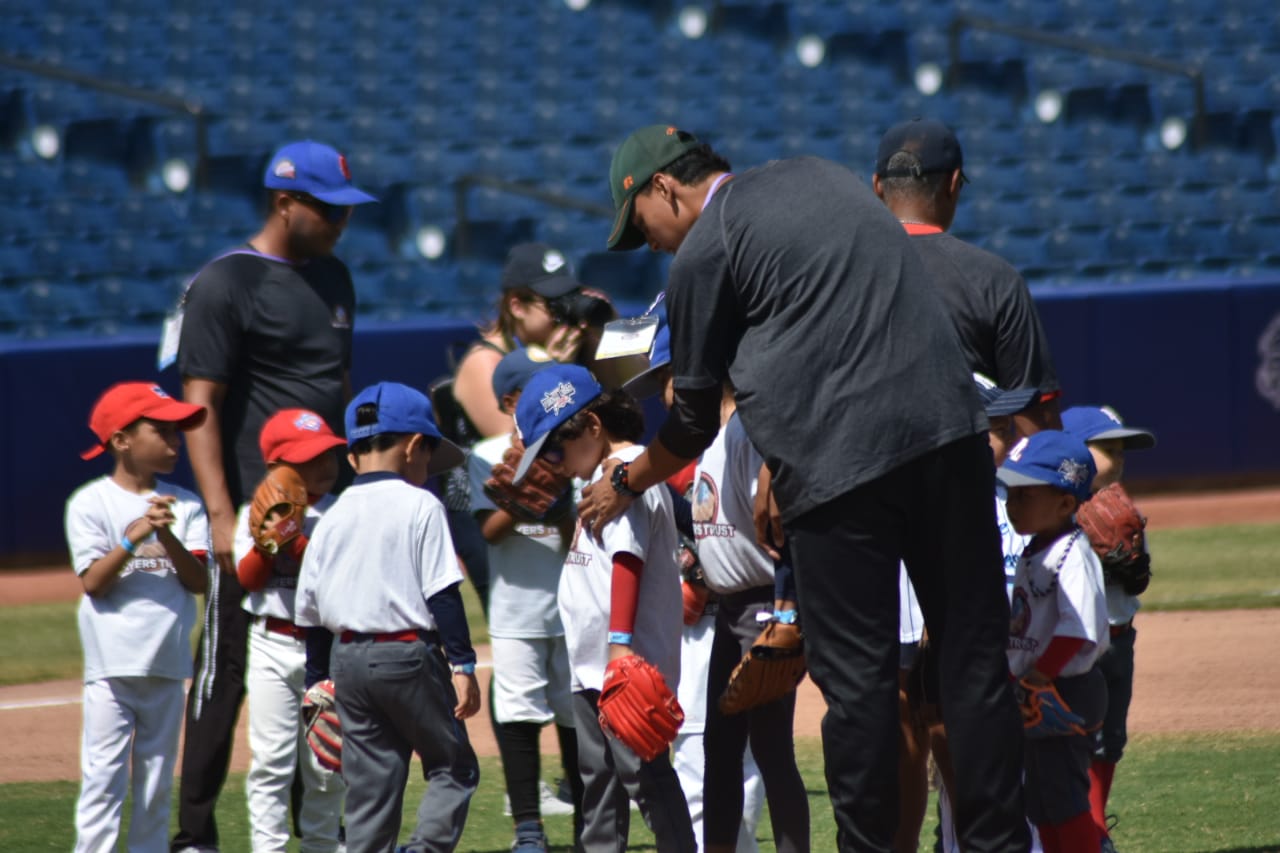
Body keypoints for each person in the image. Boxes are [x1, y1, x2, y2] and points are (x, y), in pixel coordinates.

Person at [578, 124, 1029, 851]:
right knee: (972, 665)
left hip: (843, 470)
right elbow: (837, 329)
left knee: (860, 689)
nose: (650, 242)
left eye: (642, 224)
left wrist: (627, 479)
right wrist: (770, 463)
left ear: (664, 187)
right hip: (951, 434)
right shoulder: (822, 174)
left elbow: (692, 422)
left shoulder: (705, 247)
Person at [172, 139, 376, 852]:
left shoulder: (337, 279)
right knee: (226, 670)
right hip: (256, 516)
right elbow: (199, 402)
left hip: (328, 511)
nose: (340, 221)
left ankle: (317, 827)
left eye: (346, 209)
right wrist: (223, 516)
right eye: (327, 208)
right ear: (284, 202)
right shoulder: (226, 282)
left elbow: (339, 389)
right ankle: (194, 830)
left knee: (328, 669)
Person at [513, 363, 696, 853]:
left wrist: (618, 649)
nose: (552, 462)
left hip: (624, 666)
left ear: (592, 427)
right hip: (591, 666)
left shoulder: (625, 474)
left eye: (554, 448)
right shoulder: (601, 476)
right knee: (598, 786)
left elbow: (626, 561)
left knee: (647, 779)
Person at [295, 381, 481, 852]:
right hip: (406, 655)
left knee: (370, 790)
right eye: (428, 457)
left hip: (346, 661)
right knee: (453, 766)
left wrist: (316, 683)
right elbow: (443, 594)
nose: (426, 470)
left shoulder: (331, 517)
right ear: (414, 445)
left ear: (353, 456)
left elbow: (311, 615)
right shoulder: (421, 504)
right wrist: (462, 664)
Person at [622, 327, 770, 853]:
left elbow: (759, 533)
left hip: (741, 614)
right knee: (726, 755)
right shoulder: (696, 445)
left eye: (667, 378)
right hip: (717, 614)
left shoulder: (738, 435)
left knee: (740, 759)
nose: (665, 394)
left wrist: (702, 583)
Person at [64, 382, 210, 852]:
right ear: (121, 440)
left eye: (177, 432)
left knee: (154, 786)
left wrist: (166, 537)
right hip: (111, 666)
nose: (174, 442)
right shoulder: (91, 502)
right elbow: (94, 582)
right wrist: (134, 536)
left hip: (167, 665)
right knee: (103, 781)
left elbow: (199, 581)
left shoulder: (185, 503)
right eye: (161, 431)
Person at [872, 117, 1062, 434]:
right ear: (953, 183)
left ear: (878, 186)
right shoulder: (994, 279)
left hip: (860, 475)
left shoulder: (830, 275)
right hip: (961, 474)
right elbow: (1039, 428)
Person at [468, 348, 584, 852]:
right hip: (515, 610)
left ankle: (588, 822)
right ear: (513, 399)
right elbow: (489, 533)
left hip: (574, 607)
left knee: (575, 717)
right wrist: (522, 496)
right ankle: (529, 828)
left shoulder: (576, 449)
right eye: (540, 390)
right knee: (518, 716)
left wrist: (559, 504)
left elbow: (578, 535)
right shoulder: (489, 453)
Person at [923, 375, 1042, 853]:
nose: (1010, 437)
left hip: (1025, 668)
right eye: (996, 428)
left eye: (1008, 426)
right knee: (971, 783)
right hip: (969, 676)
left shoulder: (1017, 495)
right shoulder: (936, 506)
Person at [439, 242, 591, 614]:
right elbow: (524, 442)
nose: (563, 316)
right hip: (488, 518)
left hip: (545, 508)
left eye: (568, 301)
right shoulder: (483, 361)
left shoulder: (559, 353)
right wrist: (556, 372)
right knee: (520, 637)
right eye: (553, 305)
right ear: (517, 306)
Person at [234, 409, 349, 852]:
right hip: (270, 642)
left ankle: (321, 844)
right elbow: (248, 579)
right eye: (307, 459)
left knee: (326, 765)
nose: (323, 465)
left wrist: (296, 540)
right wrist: (269, 541)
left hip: (327, 647)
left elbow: (334, 580)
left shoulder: (341, 512)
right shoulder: (254, 511)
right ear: (275, 468)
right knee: (270, 763)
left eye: (327, 455)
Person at [999, 429, 1110, 853]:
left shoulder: (1073, 553)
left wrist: (1039, 677)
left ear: (1066, 502)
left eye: (1025, 494)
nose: (1012, 504)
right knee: (1041, 805)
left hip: (1064, 689)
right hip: (1037, 689)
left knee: (1064, 801)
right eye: (1011, 493)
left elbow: (1076, 628)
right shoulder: (1038, 548)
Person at [1061, 405, 1157, 852]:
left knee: (1109, 743)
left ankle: (1097, 830)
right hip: (1078, 650)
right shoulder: (1054, 514)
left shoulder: (1122, 512)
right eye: (1107, 449)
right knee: (1069, 744)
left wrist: (1133, 567)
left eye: (1122, 451)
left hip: (1121, 640)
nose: (1118, 459)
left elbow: (1137, 580)